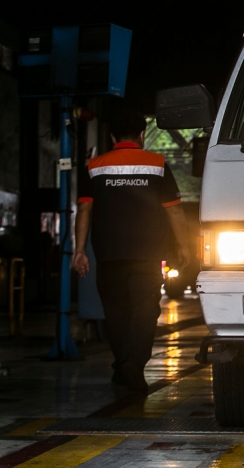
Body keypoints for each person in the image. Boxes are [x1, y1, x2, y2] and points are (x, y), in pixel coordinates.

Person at [72, 108, 190, 390]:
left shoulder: (94, 165)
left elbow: (84, 208)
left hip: (109, 253)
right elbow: (174, 212)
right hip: (147, 254)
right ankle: (133, 363)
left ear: (112, 136)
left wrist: (79, 251)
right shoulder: (158, 164)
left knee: (116, 311)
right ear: (141, 135)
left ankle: (123, 363)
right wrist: (185, 247)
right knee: (145, 310)